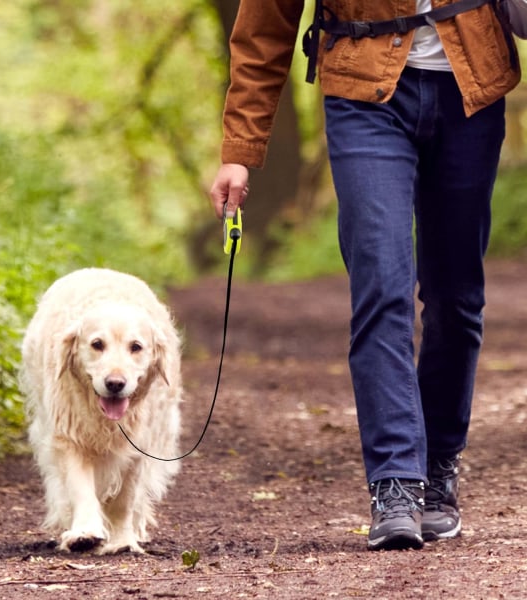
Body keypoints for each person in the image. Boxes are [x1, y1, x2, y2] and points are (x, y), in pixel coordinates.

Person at [210, 0, 523, 551]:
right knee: (382, 284)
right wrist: (240, 147)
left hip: (471, 87)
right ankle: (396, 482)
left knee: (456, 298)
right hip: (364, 91)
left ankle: (439, 466)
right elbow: (264, 24)